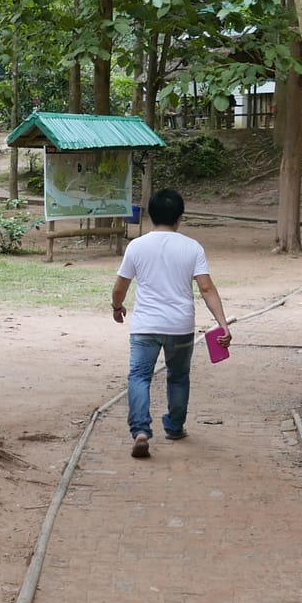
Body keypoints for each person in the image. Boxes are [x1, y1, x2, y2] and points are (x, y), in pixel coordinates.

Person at [110, 188, 229, 459]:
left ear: (151, 215)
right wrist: (223, 324)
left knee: (139, 377)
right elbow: (207, 289)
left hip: (145, 326)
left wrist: (117, 308)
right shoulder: (192, 247)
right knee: (178, 377)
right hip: (180, 326)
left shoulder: (137, 246)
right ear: (179, 217)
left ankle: (140, 431)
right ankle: (175, 427)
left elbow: (120, 286)